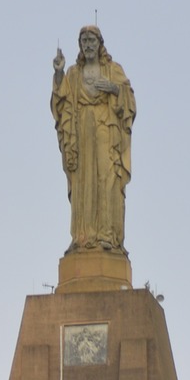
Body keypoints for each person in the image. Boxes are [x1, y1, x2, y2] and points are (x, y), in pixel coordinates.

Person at [50, 26, 137, 253]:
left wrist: (114, 89)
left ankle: (108, 236)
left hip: (106, 130)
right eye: (84, 41)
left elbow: (130, 100)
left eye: (92, 40)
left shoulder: (112, 70)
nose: (88, 45)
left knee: (107, 179)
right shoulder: (73, 74)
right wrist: (58, 73)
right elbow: (62, 102)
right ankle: (82, 236)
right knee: (83, 182)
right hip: (81, 133)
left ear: (100, 44)